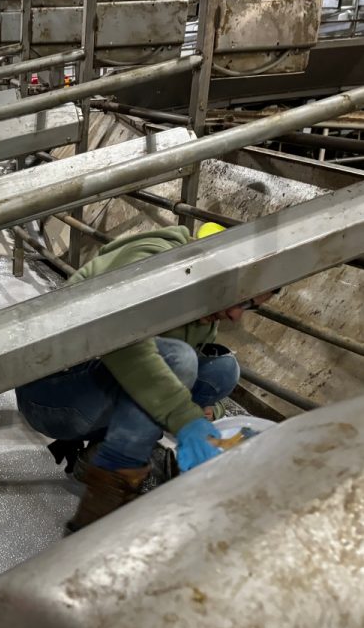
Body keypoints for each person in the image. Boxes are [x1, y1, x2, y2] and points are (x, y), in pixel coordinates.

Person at [15, 222, 276, 532]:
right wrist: (186, 419)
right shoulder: (153, 257)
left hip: (102, 388)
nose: (237, 315)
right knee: (178, 359)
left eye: (250, 307)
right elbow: (120, 341)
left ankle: (99, 452)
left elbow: (160, 381)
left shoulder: (206, 311)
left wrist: (211, 414)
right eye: (243, 297)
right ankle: (108, 489)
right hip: (52, 392)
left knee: (222, 369)